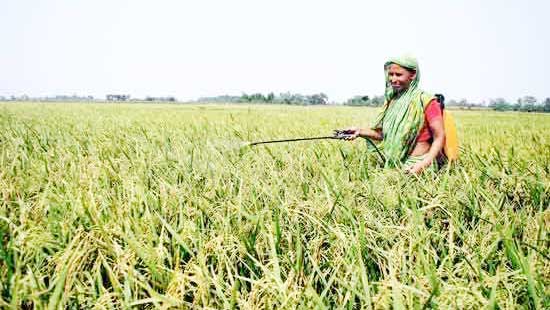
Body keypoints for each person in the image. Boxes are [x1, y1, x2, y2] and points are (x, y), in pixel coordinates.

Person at [344, 55, 445, 174]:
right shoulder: (392, 101)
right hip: (395, 165)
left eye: (398, 74)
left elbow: (439, 136)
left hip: (418, 164)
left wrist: (423, 164)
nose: (392, 79)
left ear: (413, 75)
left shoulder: (426, 100)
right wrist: (359, 131)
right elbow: (385, 135)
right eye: (390, 74)